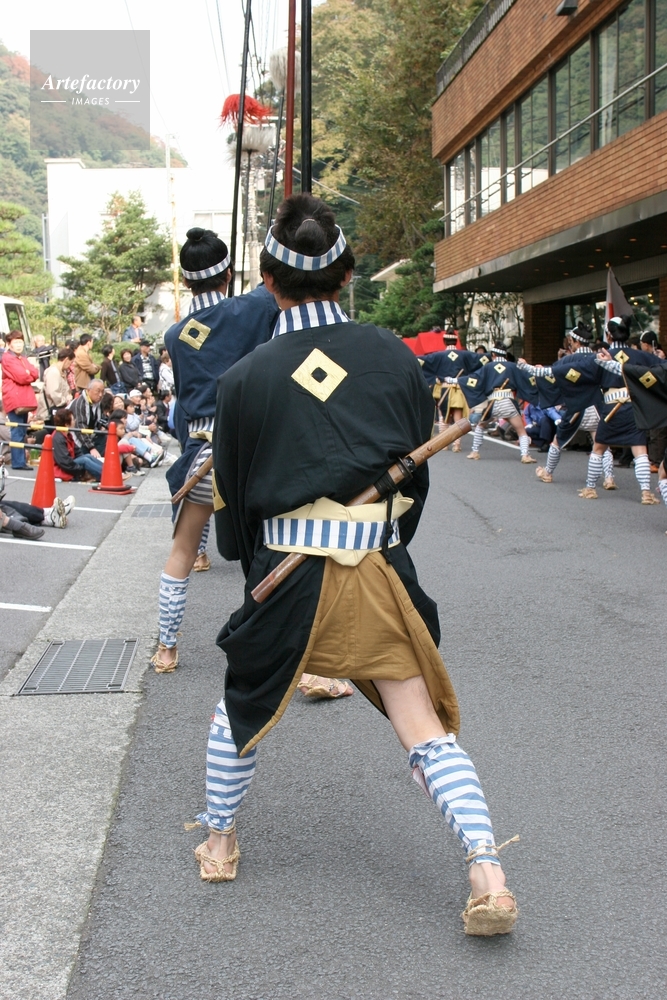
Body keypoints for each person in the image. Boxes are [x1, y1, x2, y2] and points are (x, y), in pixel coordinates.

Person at [193, 195, 519, 936]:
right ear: (347, 273)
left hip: (284, 571)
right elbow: (412, 484)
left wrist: (251, 567)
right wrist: (384, 543)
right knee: (421, 723)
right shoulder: (394, 358)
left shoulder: (243, 379)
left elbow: (233, 506)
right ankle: (487, 873)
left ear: (268, 281)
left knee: (240, 706)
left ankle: (219, 841)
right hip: (374, 561)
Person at [151, 225, 280, 674]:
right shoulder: (255, 306)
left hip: (201, 457)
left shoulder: (175, 336)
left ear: (186, 282)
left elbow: (186, 401)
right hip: (250, 453)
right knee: (274, 552)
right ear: (227, 275)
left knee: (182, 553)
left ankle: (166, 649)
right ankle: (290, 659)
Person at [518, 322, 616, 488]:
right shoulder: (599, 358)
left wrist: (528, 367)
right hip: (597, 406)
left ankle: (548, 472)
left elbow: (550, 374)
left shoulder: (569, 360)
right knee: (601, 444)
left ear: (575, 342)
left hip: (577, 406)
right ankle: (609, 478)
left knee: (557, 441)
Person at [1, 330, 39, 471]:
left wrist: (28, 373)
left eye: (20, 342)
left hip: (22, 398)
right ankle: (18, 462)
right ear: (9, 344)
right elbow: (22, 376)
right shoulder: (7, 358)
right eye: (15, 342)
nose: (19, 345)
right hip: (14, 398)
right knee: (17, 430)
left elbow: (35, 372)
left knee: (22, 430)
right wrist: (28, 373)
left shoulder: (21, 357)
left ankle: (20, 460)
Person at [51, 408, 104, 481]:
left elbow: (77, 452)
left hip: (69, 463)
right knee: (85, 460)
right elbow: (64, 462)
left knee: (87, 456)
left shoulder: (67, 435)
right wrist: (81, 470)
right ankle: (106, 476)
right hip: (61, 468)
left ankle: (108, 471)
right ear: (66, 424)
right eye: (73, 419)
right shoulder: (58, 438)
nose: (75, 421)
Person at [69, 378, 107, 459]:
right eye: (98, 391)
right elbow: (80, 428)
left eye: (102, 392)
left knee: (106, 437)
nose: (100, 395)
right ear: (88, 390)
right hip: (76, 440)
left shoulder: (99, 403)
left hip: (92, 436)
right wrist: (91, 448)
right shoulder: (79, 404)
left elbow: (101, 418)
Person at [35, 348, 75, 423]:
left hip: (59, 411)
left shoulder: (62, 372)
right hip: (51, 411)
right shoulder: (53, 372)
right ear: (66, 359)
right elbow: (54, 393)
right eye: (71, 362)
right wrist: (66, 400)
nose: (70, 365)